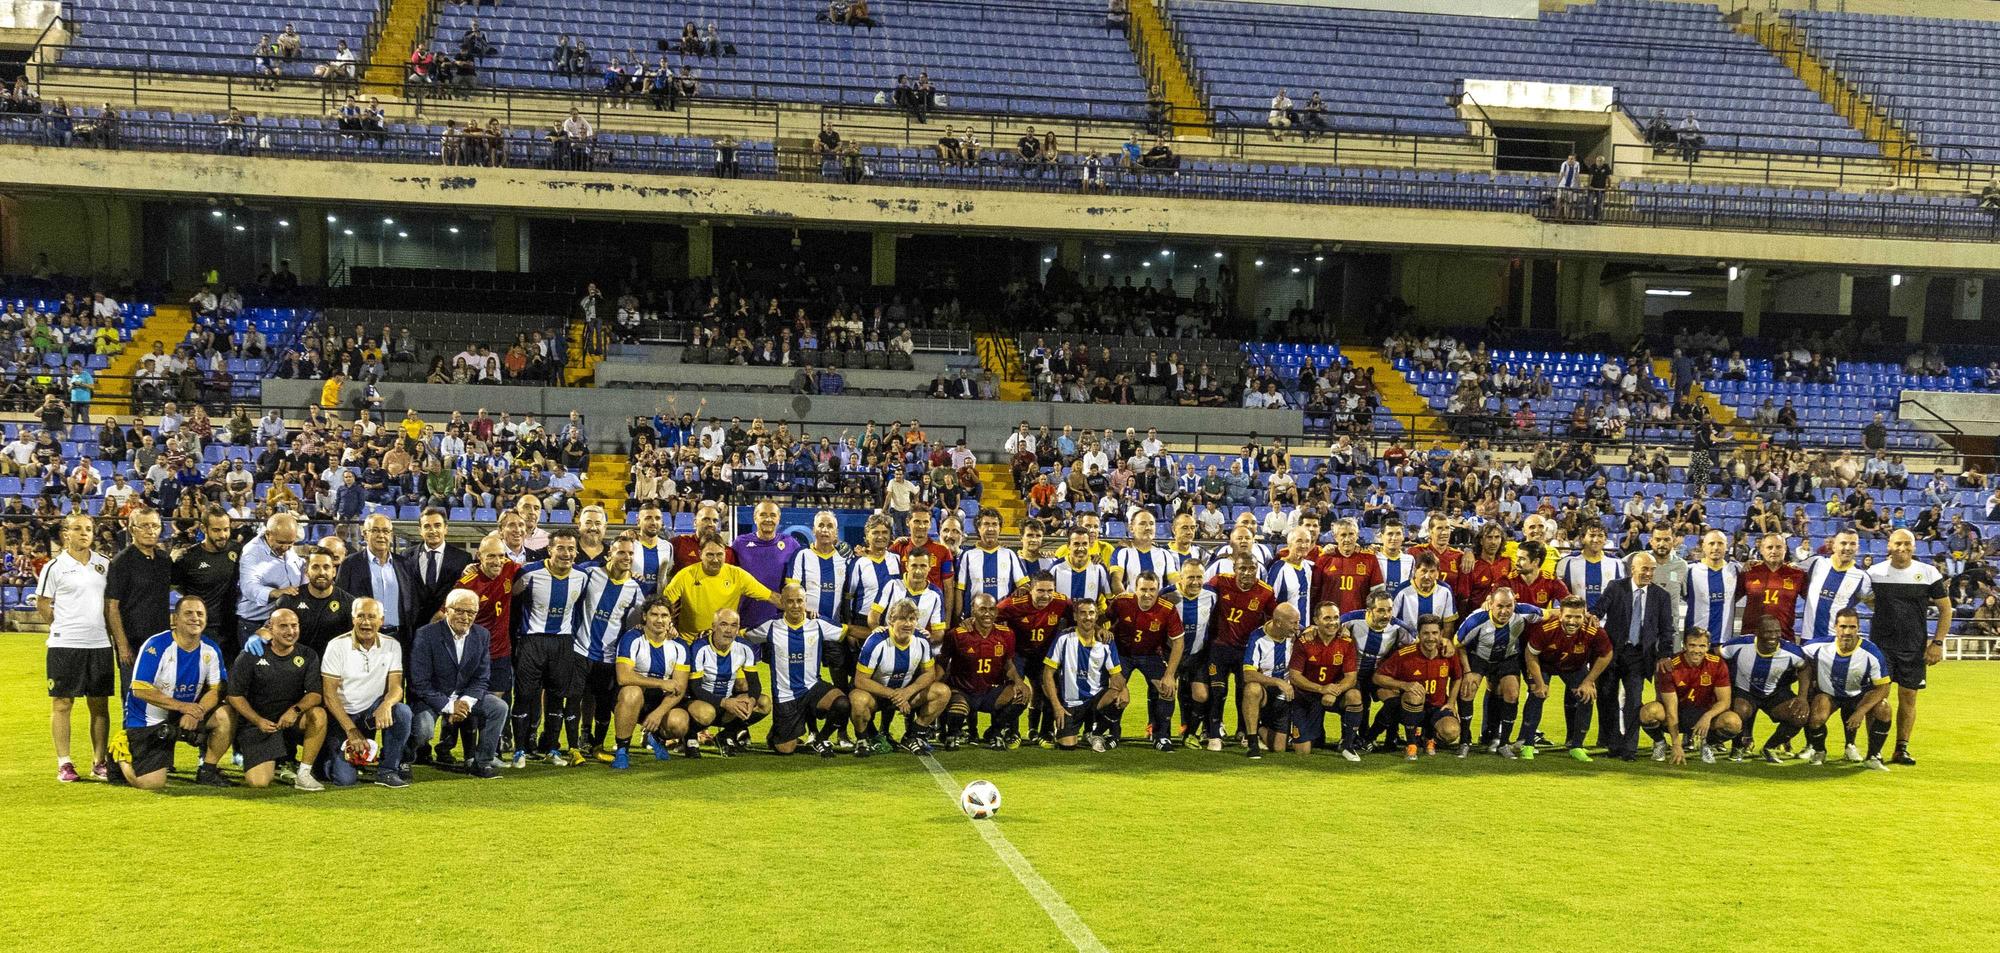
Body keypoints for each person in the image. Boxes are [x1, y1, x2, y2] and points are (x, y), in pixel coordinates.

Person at [118, 597, 234, 789]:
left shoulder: (211, 649)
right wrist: (183, 707)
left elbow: (216, 690)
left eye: (200, 614)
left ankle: (208, 770)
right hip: (148, 718)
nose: (195, 618)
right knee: (151, 783)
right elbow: (139, 688)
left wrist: (195, 711)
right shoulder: (156, 645)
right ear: (175, 619)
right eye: (188, 613)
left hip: (186, 713)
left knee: (227, 714)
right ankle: (120, 754)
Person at [1864, 529, 1952, 765]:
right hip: (1881, 646)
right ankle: (1874, 750)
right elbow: (1864, 598)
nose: (1902, 548)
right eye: (1898, 544)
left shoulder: (1928, 573)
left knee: (1908, 696)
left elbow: (1946, 609)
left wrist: (1937, 643)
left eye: (1907, 544)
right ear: (1889, 546)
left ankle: (1901, 748)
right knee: (1877, 696)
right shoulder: (1875, 573)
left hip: (1913, 647)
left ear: (1914, 547)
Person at [39, 513, 113, 783]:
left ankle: (99, 761)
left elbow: (110, 604)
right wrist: (61, 626)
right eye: (78, 529)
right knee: (62, 703)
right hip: (64, 644)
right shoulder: (54, 566)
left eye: (89, 529)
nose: (84, 533)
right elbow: (43, 603)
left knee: (99, 705)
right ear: (66, 534)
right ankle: (64, 762)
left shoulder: (104, 564)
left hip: (99, 643)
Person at [408, 589, 508, 779]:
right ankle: (404, 759)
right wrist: (449, 706)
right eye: (460, 611)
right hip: (431, 698)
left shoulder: (482, 635)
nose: (465, 617)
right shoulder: (426, 634)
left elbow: (481, 677)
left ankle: (482, 762)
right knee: (423, 731)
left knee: (498, 707)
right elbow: (419, 682)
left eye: (471, 612)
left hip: (464, 697)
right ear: (447, 610)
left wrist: (465, 703)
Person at [226, 608, 328, 790]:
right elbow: (234, 695)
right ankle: (275, 762)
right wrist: (257, 720)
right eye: (283, 626)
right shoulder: (251, 654)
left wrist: (295, 711)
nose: (290, 631)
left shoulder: (308, 655)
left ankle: (303, 774)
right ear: (270, 629)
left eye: (294, 626)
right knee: (259, 783)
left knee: (318, 714)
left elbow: (315, 694)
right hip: (260, 725)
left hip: (290, 721)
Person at [566, 535, 647, 759]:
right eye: (621, 552)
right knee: (575, 699)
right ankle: (574, 746)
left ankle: (597, 746)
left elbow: (636, 623)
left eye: (631, 553)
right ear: (609, 554)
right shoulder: (589, 574)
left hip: (609, 656)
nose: (627, 557)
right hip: (580, 649)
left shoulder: (635, 589)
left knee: (603, 703)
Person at [319, 598, 413, 788]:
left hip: (372, 712)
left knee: (401, 712)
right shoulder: (336, 646)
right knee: (345, 780)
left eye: (372, 617)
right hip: (342, 717)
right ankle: (324, 761)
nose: (366, 622)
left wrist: (386, 705)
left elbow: (396, 687)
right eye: (360, 616)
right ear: (353, 619)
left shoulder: (392, 644)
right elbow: (329, 695)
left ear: (382, 620)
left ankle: (388, 771)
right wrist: (351, 731)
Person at [510, 527, 584, 766]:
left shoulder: (582, 577)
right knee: (523, 696)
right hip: (532, 641)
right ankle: (519, 750)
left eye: (571, 548)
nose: (566, 553)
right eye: (560, 548)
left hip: (562, 643)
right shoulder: (528, 573)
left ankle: (552, 749)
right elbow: (512, 599)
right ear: (550, 549)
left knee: (556, 698)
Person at [748, 584, 848, 756]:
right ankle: (776, 734)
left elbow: (848, 630)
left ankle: (820, 739)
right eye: (790, 601)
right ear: (782, 603)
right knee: (785, 749)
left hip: (812, 687)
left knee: (842, 703)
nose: (795, 606)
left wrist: (883, 630)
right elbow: (742, 634)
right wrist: (714, 633)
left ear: (806, 602)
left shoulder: (818, 624)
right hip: (785, 695)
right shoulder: (770, 626)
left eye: (799, 601)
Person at [1596, 551, 1674, 760]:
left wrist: (1665, 654)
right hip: (1611, 653)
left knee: (1633, 700)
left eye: (1652, 570)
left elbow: (1667, 629)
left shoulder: (1661, 596)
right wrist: (1592, 617)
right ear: (1632, 569)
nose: (1649, 573)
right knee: (1606, 698)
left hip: (1639, 656)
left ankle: (1630, 749)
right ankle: (1613, 745)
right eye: (1645, 569)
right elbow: (1599, 609)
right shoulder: (1615, 587)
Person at [1452, 586, 1543, 757]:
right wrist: (1468, 672)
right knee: (1467, 691)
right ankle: (1464, 741)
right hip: (1479, 658)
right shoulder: (1476, 619)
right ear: (1490, 604)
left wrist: (1587, 616)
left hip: (1507, 659)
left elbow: (1552, 613)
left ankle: (1503, 744)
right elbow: (1458, 645)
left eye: (1509, 606)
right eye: (1500, 606)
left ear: (1514, 604)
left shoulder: (1525, 612)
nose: (1504, 611)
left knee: (1512, 694)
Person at [1799, 608, 1894, 771]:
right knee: (1816, 714)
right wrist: (1802, 694)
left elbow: (1883, 687)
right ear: (1835, 627)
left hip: (1859, 696)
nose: (1847, 631)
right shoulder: (1817, 646)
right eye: (1843, 626)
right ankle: (1819, 751)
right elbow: (1799, 660)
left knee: (1884, 709)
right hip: (1830, 695)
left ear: (1859, 628)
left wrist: (1861, 711)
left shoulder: (1872, 652)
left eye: (1852, 627)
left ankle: (1873, 756)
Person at [851, 600, 949, 756]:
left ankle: (914, 736)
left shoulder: (922, 640)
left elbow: (929, 673)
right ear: (891, 620)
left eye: (912, 619)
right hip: (877, 695)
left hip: (906, 693)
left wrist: (907, 692)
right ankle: (863, 739)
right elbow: (860, 680)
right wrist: (895, 695)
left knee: (942, 692)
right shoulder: (876, 641)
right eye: (902, 618)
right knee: (858, 699)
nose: (908, 624)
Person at [1520, 595, 1611, 761]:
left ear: (1585, 616)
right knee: (1537, 695)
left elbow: (1606, 654)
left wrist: (1589, 681)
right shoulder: (1546, 628)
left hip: (1573, 667)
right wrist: (1540, 683)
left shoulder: (1594, 631)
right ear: (1560, 614)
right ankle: (1527, 744)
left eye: (1578, 617)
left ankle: (1577, 746)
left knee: (1587, 696)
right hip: (1544, 665)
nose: (1572, 621)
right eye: (1568, 616)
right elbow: (1531, 654)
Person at [1200, 551, 1275, 749]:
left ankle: (1244, 732)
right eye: (1242, 568)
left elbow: (1274, 620)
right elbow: (1200, 596)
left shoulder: (1265, 592)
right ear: (1234, 569)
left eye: (1252, 569)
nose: (1247, 573)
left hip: (1246, 652)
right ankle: (1214, 734)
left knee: (1244, 692)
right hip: (1219, 647)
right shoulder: (1219, 581)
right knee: (1218, 691)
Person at [1104, 572, 1184, 751]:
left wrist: (1170, 675)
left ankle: (1161, 736)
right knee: (1115, 691)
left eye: (1152, 590)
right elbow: (1103, 619)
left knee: (1167, 689)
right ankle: (1113, 734)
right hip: (1122, 654)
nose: (1147, 594)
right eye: (1143, 589)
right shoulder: (1122, 601)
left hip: (1150, 655)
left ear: (1158, 590)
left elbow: (1178, 642)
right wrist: (1101, 632)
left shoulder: (1167, 608)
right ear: (1135, 588)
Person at [939, 592, 1027, 751]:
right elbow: (943, 664)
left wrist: (1020, 682)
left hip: (990, 693)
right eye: (982, 609)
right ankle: (952, 734)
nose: (988, 613)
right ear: (973, 610)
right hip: (962, 691)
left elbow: (1008, 664)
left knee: (1023, 695)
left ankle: (995, 732)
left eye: (992, 609)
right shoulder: (956, 635)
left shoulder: (1007, 634)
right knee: (958, 709)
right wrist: (935, 685)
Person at [609, 598, 691, 768]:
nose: (659, 620)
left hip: (660, 702)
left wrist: (658, 713)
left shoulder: (680, 646)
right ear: (645, 616)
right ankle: (622, 750)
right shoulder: (632, 638)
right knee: (632, 692)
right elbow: (623, 677)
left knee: (680, 722)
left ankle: (656, 738)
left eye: (664, 615)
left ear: (671, 619)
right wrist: (661, 683)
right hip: (630, 699)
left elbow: (679, 688)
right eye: (654, 614)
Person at [1637, 627, 1738, 764]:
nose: (1697, 650)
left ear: (1708, 646)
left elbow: (1724, 701)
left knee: (1733, 722)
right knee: (1648, 712)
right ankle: (1660, 743)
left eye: (1702, 646)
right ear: (1684, 645)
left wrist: (1707, 716)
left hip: (1703, 714)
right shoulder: (1670, 666)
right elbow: (1671, 710)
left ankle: (1707, 744)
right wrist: (1676, 744)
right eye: (1692, 645)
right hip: (1675, 713)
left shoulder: (1717, 664)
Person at [1040, 600, 1127, 752]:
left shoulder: (1106, 641)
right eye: (1083, 613)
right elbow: (1048, 673)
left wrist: (1124, 689)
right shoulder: (1064, 638)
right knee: (1067, 746)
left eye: (1091, 613)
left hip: (1095, 699)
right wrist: (1057, 707)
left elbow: (1116, 675)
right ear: (1075, 616)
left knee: (1120, 695)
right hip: (1070, 704)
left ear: (1096, 616)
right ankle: (1076, 730)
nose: (1088, 617)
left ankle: (1095, 732)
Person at [1373, 614, 1464, 760]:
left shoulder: (1447, 653)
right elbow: (1378, 677)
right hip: (1410, 709)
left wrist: (1451, 703)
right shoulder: (1405, 654)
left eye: (1434, 633)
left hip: (1437, 708)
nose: (1430, 637)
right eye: (1425, 633)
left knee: (1451, 731)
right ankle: (1411, 744)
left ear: (1441, 634)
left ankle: (1430, 738)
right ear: (1419, 634)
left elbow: (1457, 677)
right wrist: (1404, 685)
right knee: (1415, 695)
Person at [1720, 618, 1810, 763]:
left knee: (1799, 715)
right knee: (1740, 711)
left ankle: (1769, 748)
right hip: (1744, 692)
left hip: (1773, 693)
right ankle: (1738, 747)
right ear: (1757, 633)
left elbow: (1805, 667)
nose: (1774, 636)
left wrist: (1802, 697)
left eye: (1777, 631)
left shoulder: (1792, 652)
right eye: (1768, 632)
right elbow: (1717, 655)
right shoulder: (1739, 645)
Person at [683, 609, 769, 756]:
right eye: (723, 624)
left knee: (764, 703)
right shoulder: (699, 648)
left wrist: (751, 700)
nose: (728, 630)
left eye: (734, 625)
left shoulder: (745, 648)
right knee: (706, 713)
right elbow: (694, 688)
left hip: (727, 702)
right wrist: (725, 703)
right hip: (700, 702)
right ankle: (690, 734)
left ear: (738, 629)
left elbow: (754, 684)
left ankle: (726, 734)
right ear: (714, 627)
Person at [660, 532, 780, 637]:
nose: (715, 559)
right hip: (690, 641)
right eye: (710, 555)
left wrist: (794, 614)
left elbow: (771, 596)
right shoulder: (685, 575)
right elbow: (662, 605)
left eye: (719, 554)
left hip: (724, 640)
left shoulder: (737, 575)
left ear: (725, 553)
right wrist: (669, 625)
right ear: (700, 554)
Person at [336, 513, 417, 641]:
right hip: (363, 637)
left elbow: (413, 602)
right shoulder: (349, 564)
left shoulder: (405, 565)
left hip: (400, 638)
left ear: (391, 535)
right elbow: (342, 602)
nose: (381, 535)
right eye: (375, 530)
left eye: (385, 531)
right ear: (365, 534)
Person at [173, 506, 242, 651]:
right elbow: (175, 586)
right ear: (204, 528)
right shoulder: (189, 557)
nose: (223, 535)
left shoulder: (236, 550)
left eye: (226, 529)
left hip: (231, 628)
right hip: (203, 629)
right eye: (217, 530)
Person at [236, 512, 304, 657]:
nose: (286, 548)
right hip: (255, 622)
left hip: (279, 621)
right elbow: (248, 587)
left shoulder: (286, 546)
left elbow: (298, 568)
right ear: (268, 534)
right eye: (281, 543)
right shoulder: (252, 552)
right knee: (256, 671)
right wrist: (276, 592)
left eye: (290, 543)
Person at [1240, 603, 1299, 759]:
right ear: (1278, 622)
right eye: (1293, 623)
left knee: (1279, 748)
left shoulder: (1296, 634)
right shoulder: (1257, 638)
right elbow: (1248, 674)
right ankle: (1252, 742)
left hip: (1285, 696)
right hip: (1266, 693)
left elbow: (1315, 630)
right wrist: (1278, 682)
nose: (1297, 627)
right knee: (1252, 689)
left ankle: (1260, 728)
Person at [404, 508, 472, 629]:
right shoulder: (406, 556)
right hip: (414, 627)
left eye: (437, 525)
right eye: (427, 526)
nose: (433, 530)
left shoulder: (463, 558)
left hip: (448, 626)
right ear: (420, 530)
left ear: (446, 528)